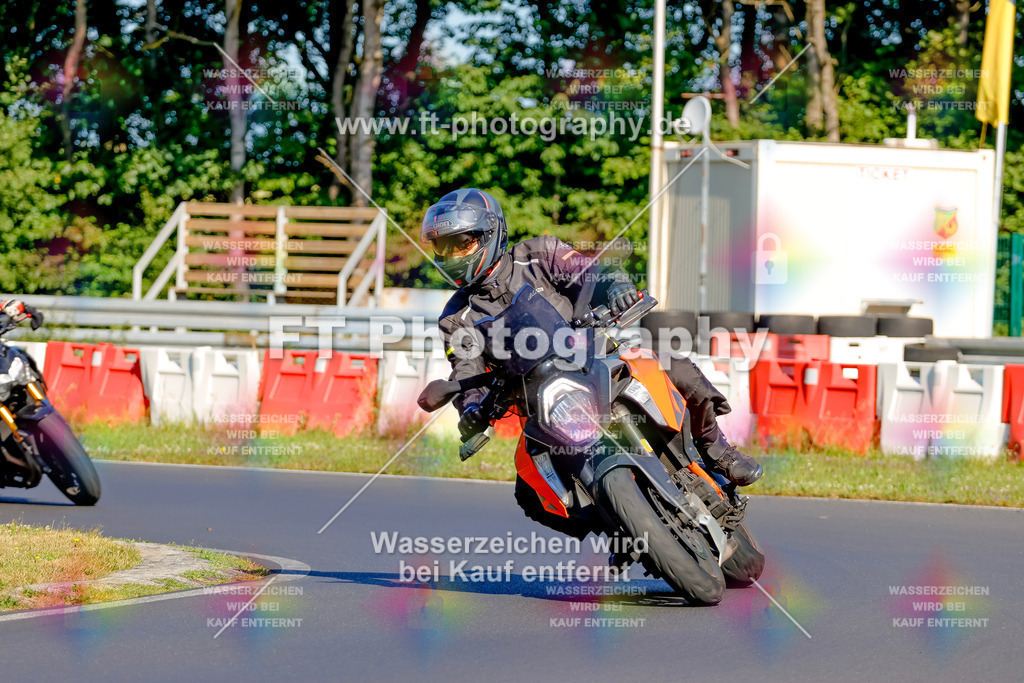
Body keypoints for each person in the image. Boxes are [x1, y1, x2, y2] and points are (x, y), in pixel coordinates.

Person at [423, 188, 762, 538]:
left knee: (669, 364)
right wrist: (473, 407)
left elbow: (590, 273)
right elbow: (466, 369)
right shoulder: (456, 317)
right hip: (542, 404)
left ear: (490, 234)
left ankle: (716, 448)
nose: (451, 255)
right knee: (530, 492)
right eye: (442, 247)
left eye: (460, 243)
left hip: (595, 357)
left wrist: (616, 289)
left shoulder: (537, 253)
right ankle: (624, 528)